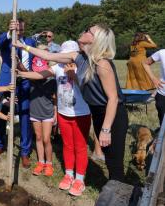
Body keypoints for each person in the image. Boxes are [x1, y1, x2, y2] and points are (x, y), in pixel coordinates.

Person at [15, 23, 128, 182]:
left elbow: (113, 99)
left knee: (115, 161)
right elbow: (48, 56)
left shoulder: (102, 64)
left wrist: (106, 129)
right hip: (97, 112)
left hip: (113, 115)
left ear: (95, 40)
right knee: (109, 157)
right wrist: (24, 47)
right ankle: (112, 189)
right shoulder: (78, 56)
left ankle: (117, 195)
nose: (85, 30)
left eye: (89, 30)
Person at [18, 41, 92, 196]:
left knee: (80, 146)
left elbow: (89, 88)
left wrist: (74, 76)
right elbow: (40, 74)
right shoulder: (57, 68)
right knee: (67, 145)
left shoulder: (84, 67)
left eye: (67, 55)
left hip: (81, 114)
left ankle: (79, 179)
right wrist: (22, 74)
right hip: (64, 114)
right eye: (62, 55)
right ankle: (68, 174)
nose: (64, 58)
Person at [0, 18, 36, 169]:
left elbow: (34, 60)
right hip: (8, 80)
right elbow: (0, 42)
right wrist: (10, 32)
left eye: (22, 30)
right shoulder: (7, 39)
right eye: (17, 29)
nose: (20, 32)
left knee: (24, 114)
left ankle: (24, 151)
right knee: (3, 111)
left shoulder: (30, 42)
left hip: (24, 80)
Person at [23, 44, 57, 177]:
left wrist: (55, 114)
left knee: (46, 139)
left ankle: (49, 163)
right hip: (35, 112)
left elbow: (55, 99)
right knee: (38, 137)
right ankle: (41, 162)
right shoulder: (31, 79)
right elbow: (22, 70)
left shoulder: (52, 79)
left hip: (47, 112)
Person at [143, 49, 165, 129]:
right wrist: (153, 78)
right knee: (163, 126)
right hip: (162, 95)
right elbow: (145, 63)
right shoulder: (162, 53)